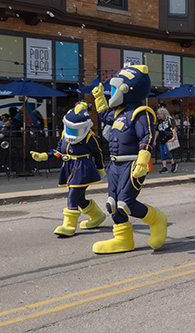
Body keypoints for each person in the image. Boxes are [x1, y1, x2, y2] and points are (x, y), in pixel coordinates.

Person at [90, 65, 167, 254]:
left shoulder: (141, 113)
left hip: (132, 163)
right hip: (115, 164)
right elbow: (104, 115)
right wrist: (99, 98)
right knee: (113, 203)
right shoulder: (119, 112)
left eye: (116, 89)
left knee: (126, 203)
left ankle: (157, 219)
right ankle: (123, 239)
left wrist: (142, 160)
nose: (113, 93)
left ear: (127, 89)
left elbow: (146, 137)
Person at [29, 101, 107, 237]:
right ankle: (97, 216)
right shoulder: (65, 134)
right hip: (70, 167)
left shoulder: (89, 137)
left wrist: (100, 168)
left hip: (83, 168)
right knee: (80, 198)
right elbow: (59, 151)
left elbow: (97, 153)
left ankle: (69, 226)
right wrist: (44, 156)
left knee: (73, 195)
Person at [155, 107, 178, 173]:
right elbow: (157, 130)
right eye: (159, 114)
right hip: (161, 139)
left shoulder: (170, 120)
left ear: (164, 114)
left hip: (168, 139)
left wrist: (173, 137)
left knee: (166, 151)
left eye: (161, 114)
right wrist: (154, 140)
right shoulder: (159, 121)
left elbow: (174, 128)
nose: (159, 115)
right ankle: (164, 167)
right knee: (162, 153)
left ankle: (173, 163)